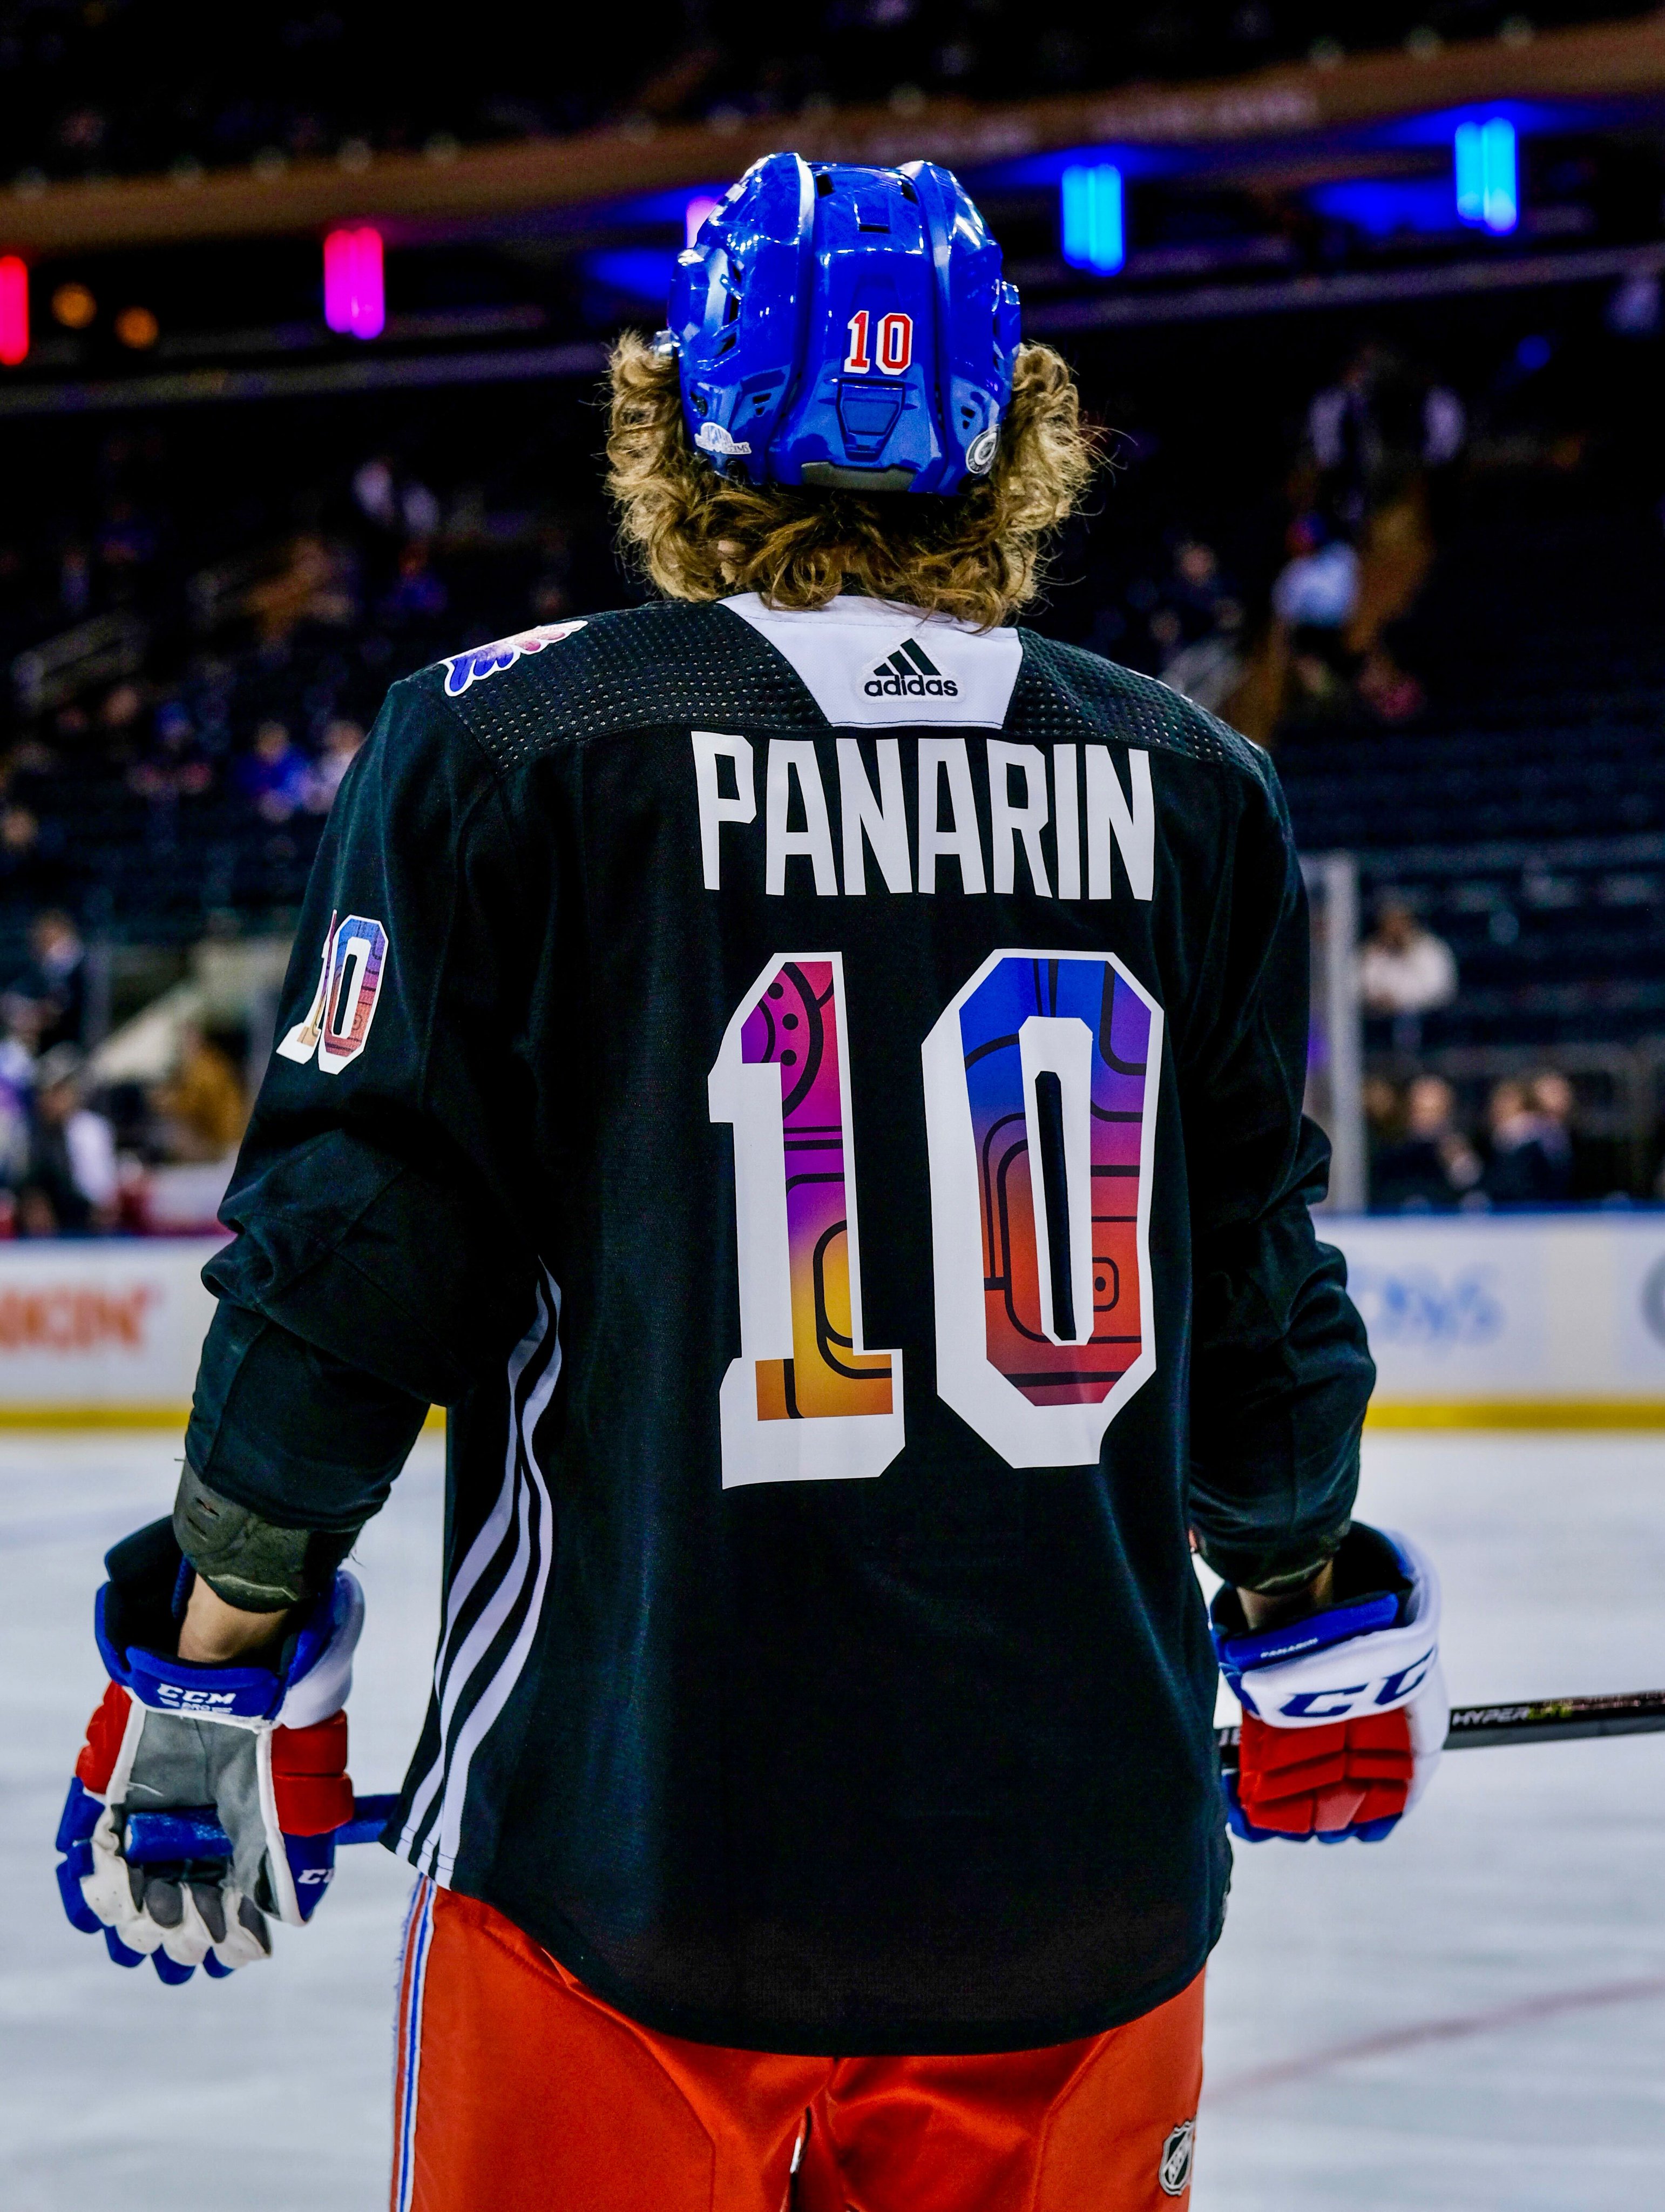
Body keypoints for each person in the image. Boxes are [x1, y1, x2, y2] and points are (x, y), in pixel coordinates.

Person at [56, 156, 1444, 2212]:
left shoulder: (511, 743)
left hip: (625, 1856)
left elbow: (356, 1260)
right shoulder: (1188, 781)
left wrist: (213, 1652)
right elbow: (1241, 1286)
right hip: (1077, 1875)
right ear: (1014, 436)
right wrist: (1304, 1601)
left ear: (671, 418)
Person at [1371, 1074, 1483, 1212]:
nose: (1429, 1119)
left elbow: (1477, 1199)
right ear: (1411, 1111)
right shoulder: (1393, 1156)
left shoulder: (1464, 1151)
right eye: (1423, 1110)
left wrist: (1461, 1164)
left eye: (1437, 1111)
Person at [1358, 897, 1458, 1047]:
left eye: (1400, 922)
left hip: (1425, 1018)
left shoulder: (1431, 949)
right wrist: (1378, 998)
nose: (1395, 928)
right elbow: (1357, 986)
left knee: (1409, 1018)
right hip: (1377, 1021)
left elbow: (1440, 989)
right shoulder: (1371, 952)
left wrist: (1401, 1000)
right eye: (1390, 923)